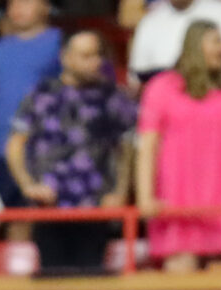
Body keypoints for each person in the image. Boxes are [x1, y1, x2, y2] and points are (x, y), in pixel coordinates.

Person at [7, 26, 137, 274]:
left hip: (96, 209)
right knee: (52, 282)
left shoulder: (113, 97)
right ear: (65, 57)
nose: (94, 62)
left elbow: (127, 149)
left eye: (97, 55)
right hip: (50, 207)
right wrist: (27, 186)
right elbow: (15, 145)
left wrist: (119, 192)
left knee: (93, 280)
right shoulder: (41, 94)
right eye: (85, 56)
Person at [137, 20, 221, 272]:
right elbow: (148, 146)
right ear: (195, 45)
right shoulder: (161, 87)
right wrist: (145, 196)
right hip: (177, 205)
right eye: (216, 41)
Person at [0, 0, 60, 235]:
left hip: (46, 150)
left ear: (46, 6)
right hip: (2, 150)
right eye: (13, 3)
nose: (18, 8)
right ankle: (18, 272)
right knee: (16, 218)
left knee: (45, 220)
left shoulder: (61, 43)